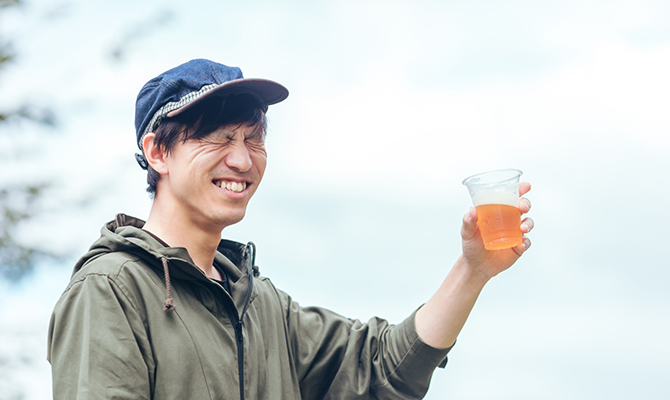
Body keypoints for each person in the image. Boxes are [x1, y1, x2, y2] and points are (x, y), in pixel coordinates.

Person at [48, 59, 533, 400]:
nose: (241, 159)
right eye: (218, 137)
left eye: (253, 139)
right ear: (158, 153)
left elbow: (383, 370)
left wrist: (473, 270)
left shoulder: (260, 304)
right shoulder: (110, 291)